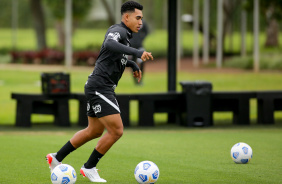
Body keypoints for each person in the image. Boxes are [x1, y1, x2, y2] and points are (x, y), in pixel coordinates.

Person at [46, 1, 153, 183]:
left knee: (94, 131)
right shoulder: (118, 31)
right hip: (100, 87)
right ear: (126, 17)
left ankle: (56, 158)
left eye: (142, 18)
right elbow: (110, 44)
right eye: (138, 18)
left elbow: (111, 57)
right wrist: (136, 52)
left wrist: (132, 63)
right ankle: (89, 167)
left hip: (97, 86)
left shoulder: (125, 36)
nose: (141, 22)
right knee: (117, 130)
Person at [130, 20, 149, 85]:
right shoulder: (130, 21)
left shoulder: (142, 22)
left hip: (139, 46)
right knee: (133, 63)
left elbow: (147, 31)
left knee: (142, 62)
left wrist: (141, 38)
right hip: (131, 47)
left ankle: (140, 79)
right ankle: (135, 80)